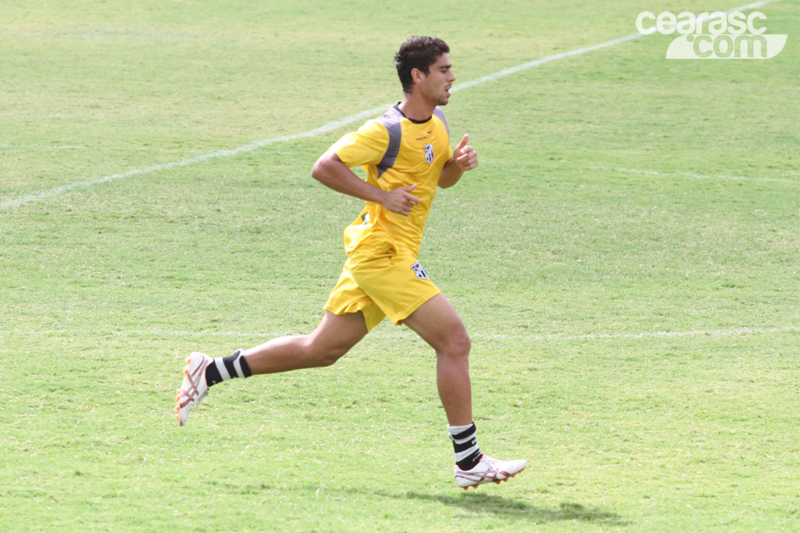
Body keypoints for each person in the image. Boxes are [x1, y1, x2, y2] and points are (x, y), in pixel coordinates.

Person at [175, 36, 526, 489]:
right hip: (382, 253)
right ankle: (469, 460)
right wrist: (380, 195)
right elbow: (324, 166)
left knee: (322, 350)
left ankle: (210, 369)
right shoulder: (384, 130)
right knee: (455, 342)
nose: (452, 76)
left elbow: (440, 179)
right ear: (417, 77)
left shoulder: (437, 120)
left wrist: (458, 164)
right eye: (443, 69)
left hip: (385, 252)